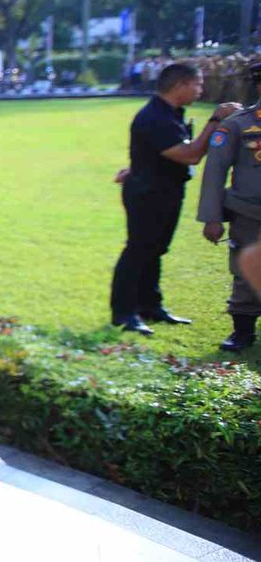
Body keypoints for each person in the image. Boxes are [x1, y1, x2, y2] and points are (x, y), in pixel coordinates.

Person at [109, 63, 241, 335]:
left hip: (165, 189)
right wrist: (215, 120)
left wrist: (136, 167)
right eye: (198, 84)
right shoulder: (155, 117)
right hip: (148, 193)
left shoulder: (170, 114)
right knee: (138, 250)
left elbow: (152, 152)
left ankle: (150, 307)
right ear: (181, 85)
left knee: (156, 250)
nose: (200, 89)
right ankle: (124, 313)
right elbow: (190, 154)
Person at [196, 57, 261, 352]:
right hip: (250, 214)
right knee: (246, 272)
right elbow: (215, 172)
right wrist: (212, 218)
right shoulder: (238, 125)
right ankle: (243, 332)